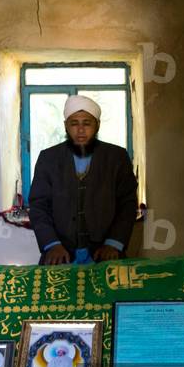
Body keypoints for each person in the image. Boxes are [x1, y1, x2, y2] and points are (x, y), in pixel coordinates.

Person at [28, 94, 138, 266]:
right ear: (66, 126)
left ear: (97, 125)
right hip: (60, 255)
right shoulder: (48, 158)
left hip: (105, 254)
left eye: (87, 123)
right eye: (74, 123)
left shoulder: (117, 157)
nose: (80, 130)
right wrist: (52, 245)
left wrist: (113, 244)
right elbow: (38, 205)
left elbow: (127, 204)